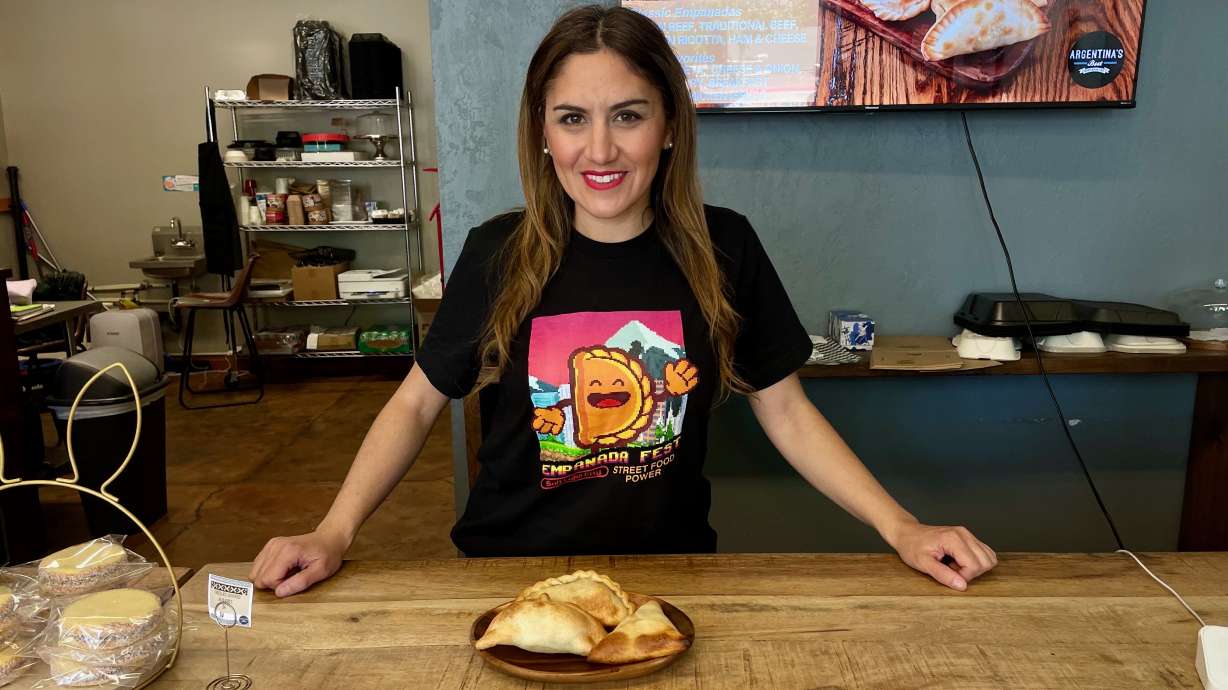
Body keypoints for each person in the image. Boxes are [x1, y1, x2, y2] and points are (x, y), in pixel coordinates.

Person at [251, 5, 997, 598]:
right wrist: (335, 532)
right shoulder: (497, 252)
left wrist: (900, 527)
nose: (599, 151)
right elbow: (415, 404)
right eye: (572, 118)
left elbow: (788, 411)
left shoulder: (725, 246)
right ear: (542, 132)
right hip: (508, 575)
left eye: (628, 116)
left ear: (668, 126)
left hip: (673, 579)